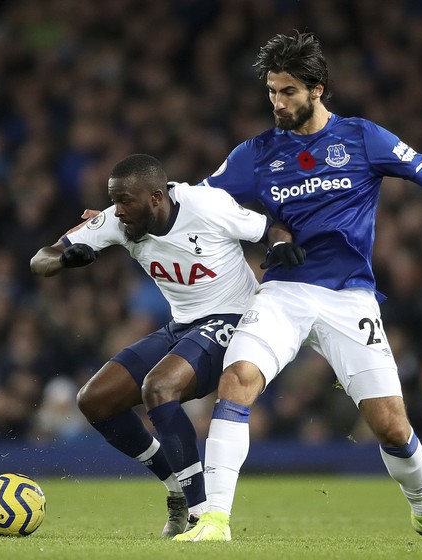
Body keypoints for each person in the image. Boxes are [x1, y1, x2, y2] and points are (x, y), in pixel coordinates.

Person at [174, 31, 422, 542]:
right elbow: (189, 202)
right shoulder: (254, 154)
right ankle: (215, 519)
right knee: (238, 380)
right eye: (271, 92)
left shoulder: (364, 139)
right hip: (283, 291)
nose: (276, 103)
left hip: (350, 297)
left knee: (391, 425)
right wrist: (117, 215)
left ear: (317, 89)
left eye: (287, 92)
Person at [30, 153, 305, 538]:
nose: (118, 210)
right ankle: (175, 488)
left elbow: (270, 228)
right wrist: (64, 259)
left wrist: (278, 247)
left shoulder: (206, 205)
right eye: (114, 200)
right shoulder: (117, 221)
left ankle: (200, 512)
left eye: (125, 200)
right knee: (94, 400)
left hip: (233, 319)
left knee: (159, 387)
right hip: (182, 326)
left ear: (156, 197)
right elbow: (40, 258)